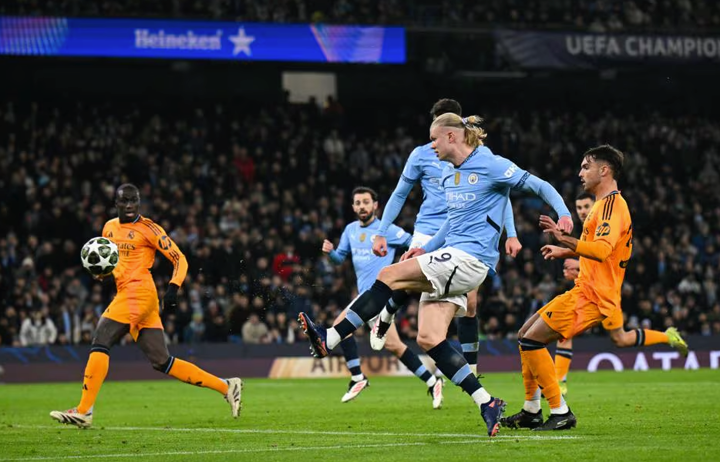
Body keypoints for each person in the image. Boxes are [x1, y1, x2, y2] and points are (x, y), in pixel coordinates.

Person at [298, 114, 573, 437]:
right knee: (428, 337)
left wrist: (564, 213)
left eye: (435, 139)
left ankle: (329, 338)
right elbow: (450, 225)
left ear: (452, 137)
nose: (431, 146)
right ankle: (487, 402)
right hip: (450, 256)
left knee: (390, 274)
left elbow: (537, 185)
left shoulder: (491, 164)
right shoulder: (449, 176)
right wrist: (424, 248)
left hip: (470, 259)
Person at [502, 145, 687, 432]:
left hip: (594, 295)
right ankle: (531, 410)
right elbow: (604, 252)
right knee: (525, 334)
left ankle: (560, 412)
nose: (580, 173)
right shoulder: (600, 206)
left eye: (585, 166)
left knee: (533, 340)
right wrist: (565, 251)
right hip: (586, 288)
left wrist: (565, 240)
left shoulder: (613, 206)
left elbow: (601, 251)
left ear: (604, 170)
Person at [50, 184, 242, 428]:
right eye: (124, 201)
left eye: (134, 200)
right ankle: (227, 386)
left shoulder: (149, 229)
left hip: (139, 293)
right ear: (116, 203)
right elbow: (115, 263)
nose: (129, 205)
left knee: (102, 337)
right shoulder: (108, 228)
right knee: (162, 361)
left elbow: (179, 258)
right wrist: (103, 273)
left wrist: (174, 286)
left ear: (139, 202)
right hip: (131, 295)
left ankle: (84, 410)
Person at [370, 98, 522, 374]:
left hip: (464, 230)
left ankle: (472, 368)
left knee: (471, 303)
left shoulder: (478, 155)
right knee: (404, 280)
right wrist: (381, 231)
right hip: (430, 227)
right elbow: (400, 194)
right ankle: (386, 315)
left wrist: (510, 233)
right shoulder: (421, 154)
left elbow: (501, 195)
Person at [551, 194, 689, 396]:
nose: (581, 210)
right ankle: (667, 336)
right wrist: (566, 253)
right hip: (592, 292)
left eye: (586, 206)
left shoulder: (607, 224)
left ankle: (559, 383)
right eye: (578, 207)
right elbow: (588, 252)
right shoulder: (589, 228)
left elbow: (605, 256)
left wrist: (577, 264)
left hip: (604, 294)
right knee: (619, 338)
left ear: (595, 206)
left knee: (571, 332)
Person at [323, 186, 444, 408]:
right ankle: (432, 380)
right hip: (366, 298)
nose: (362, 206)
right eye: (358, 203)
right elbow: (339, 259)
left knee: (339, 328)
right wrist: (330, 253)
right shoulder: (350, 230)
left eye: (366, 202)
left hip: (377, 294)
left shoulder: (386, 230)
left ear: (376, 205)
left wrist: (407, 264)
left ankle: (358, 377)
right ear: (353, 207)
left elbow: (413, 244)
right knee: (395, 346)